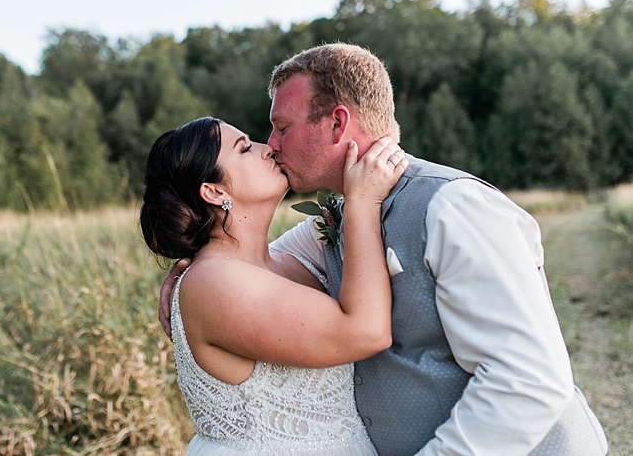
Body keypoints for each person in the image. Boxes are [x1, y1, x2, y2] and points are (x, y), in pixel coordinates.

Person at [161, 43, 608, 454]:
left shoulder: (453, 207)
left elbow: (529, 382)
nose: (271, 145)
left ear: (337, 123)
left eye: (281, 127)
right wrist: (192, 271)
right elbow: (253, 267)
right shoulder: (339, 214)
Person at [141, 115, 409, 454]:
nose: (267, 148)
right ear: (214, 191)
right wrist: (362, 202)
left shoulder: (285, 260)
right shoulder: (213, 283)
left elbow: (338, 225)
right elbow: (367, 332)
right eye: (244, 149)